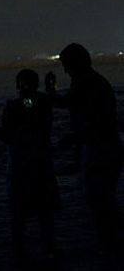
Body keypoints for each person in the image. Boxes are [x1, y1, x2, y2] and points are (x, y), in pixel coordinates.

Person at [53, 43, 122, 258]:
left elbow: (96, 120)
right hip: (105, 148)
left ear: (75, 63)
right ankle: (110, 246)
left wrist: (38, 98)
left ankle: (109, 248)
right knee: (103, 200)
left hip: (101, 150)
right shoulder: (92, 82)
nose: (64, 70)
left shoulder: (87, 83)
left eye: (66, 65)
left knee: (99, 200)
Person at [0, 69, 57, 258]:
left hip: (22, 166)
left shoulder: (18, 104)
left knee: (18, 217)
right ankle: (49, 253)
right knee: (44, 215)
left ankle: (19, 256)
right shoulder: (44, 102)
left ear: (20, 84)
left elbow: (10, 132)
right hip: (42, 165)